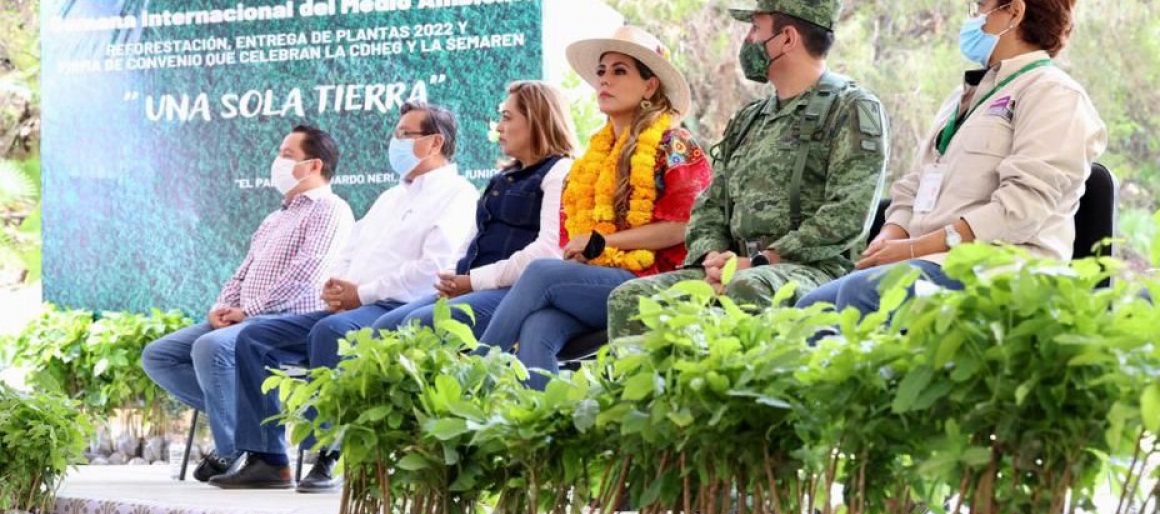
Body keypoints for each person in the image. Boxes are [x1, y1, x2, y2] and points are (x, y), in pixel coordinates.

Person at [215, 102, 478, 490]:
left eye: (405, 134)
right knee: (256, 339)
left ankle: (333, 455)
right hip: (355, 306)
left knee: (331, 332)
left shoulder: (458, 195)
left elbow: (433, 269)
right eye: (396, 133)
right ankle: (268, 459)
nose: (395, 142)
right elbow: (351, 250)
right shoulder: (391, 197)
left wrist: (362, 293)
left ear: (435, 142)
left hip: (402, 307)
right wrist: (337, 286)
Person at [796, 0, 1106, 317]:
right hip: (927, 261)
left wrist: (915, 248)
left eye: (979, 6)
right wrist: (891, 237)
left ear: (1014, 12)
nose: (970, 18)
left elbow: (1020, 209)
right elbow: (915, 184)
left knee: (864, 292)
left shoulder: (1054, 94)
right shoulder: (963, 97)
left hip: (1000, 268)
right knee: (808, 308)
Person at [607, 0, 889, 339]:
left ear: (787, 38)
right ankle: (657, 393)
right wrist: (712, 258)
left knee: (748, 287)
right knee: (631, 299)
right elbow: (709, 206)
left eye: (756, 28)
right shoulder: (749, 118)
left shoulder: (851, 107)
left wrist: (763, 260)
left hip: (815, 270)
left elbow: (848, 214)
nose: (748, 40)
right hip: (735, 267)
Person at [477, 26, 712, 388]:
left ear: (650, 86)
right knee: (537, 326)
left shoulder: (673, 143)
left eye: (620, 71)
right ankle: (542, 431)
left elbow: (684, 226)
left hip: (657, 280)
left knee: (541, 273)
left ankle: (471, 379)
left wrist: (604, 242)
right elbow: (576, 236)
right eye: (602, 72)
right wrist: (588, 250)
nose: (605, 80)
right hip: (600, 281)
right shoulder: (590, 160)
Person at [141, 124, 353, 483]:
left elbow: (305, 275)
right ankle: (248, 430)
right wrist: (221, 307)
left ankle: (239, 451)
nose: (278, 161)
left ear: (315, 165)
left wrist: (248, 312)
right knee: (160, 355)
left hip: (287, 323)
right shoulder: (275, 217)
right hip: (241, 319)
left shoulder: (329, 210)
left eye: (287, 155)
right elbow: (243, 271)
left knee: (211, 347)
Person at [368, 80, 578, 336]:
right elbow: (473, 238)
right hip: (472, 287)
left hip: (516, 291)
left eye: (507, 118)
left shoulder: (561, 172)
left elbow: (547, 251)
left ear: (538, 120)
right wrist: (451, 276)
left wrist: (473, 282)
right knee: (384, 327)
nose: (499, 127)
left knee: (418, 325)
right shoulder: (502, 178)